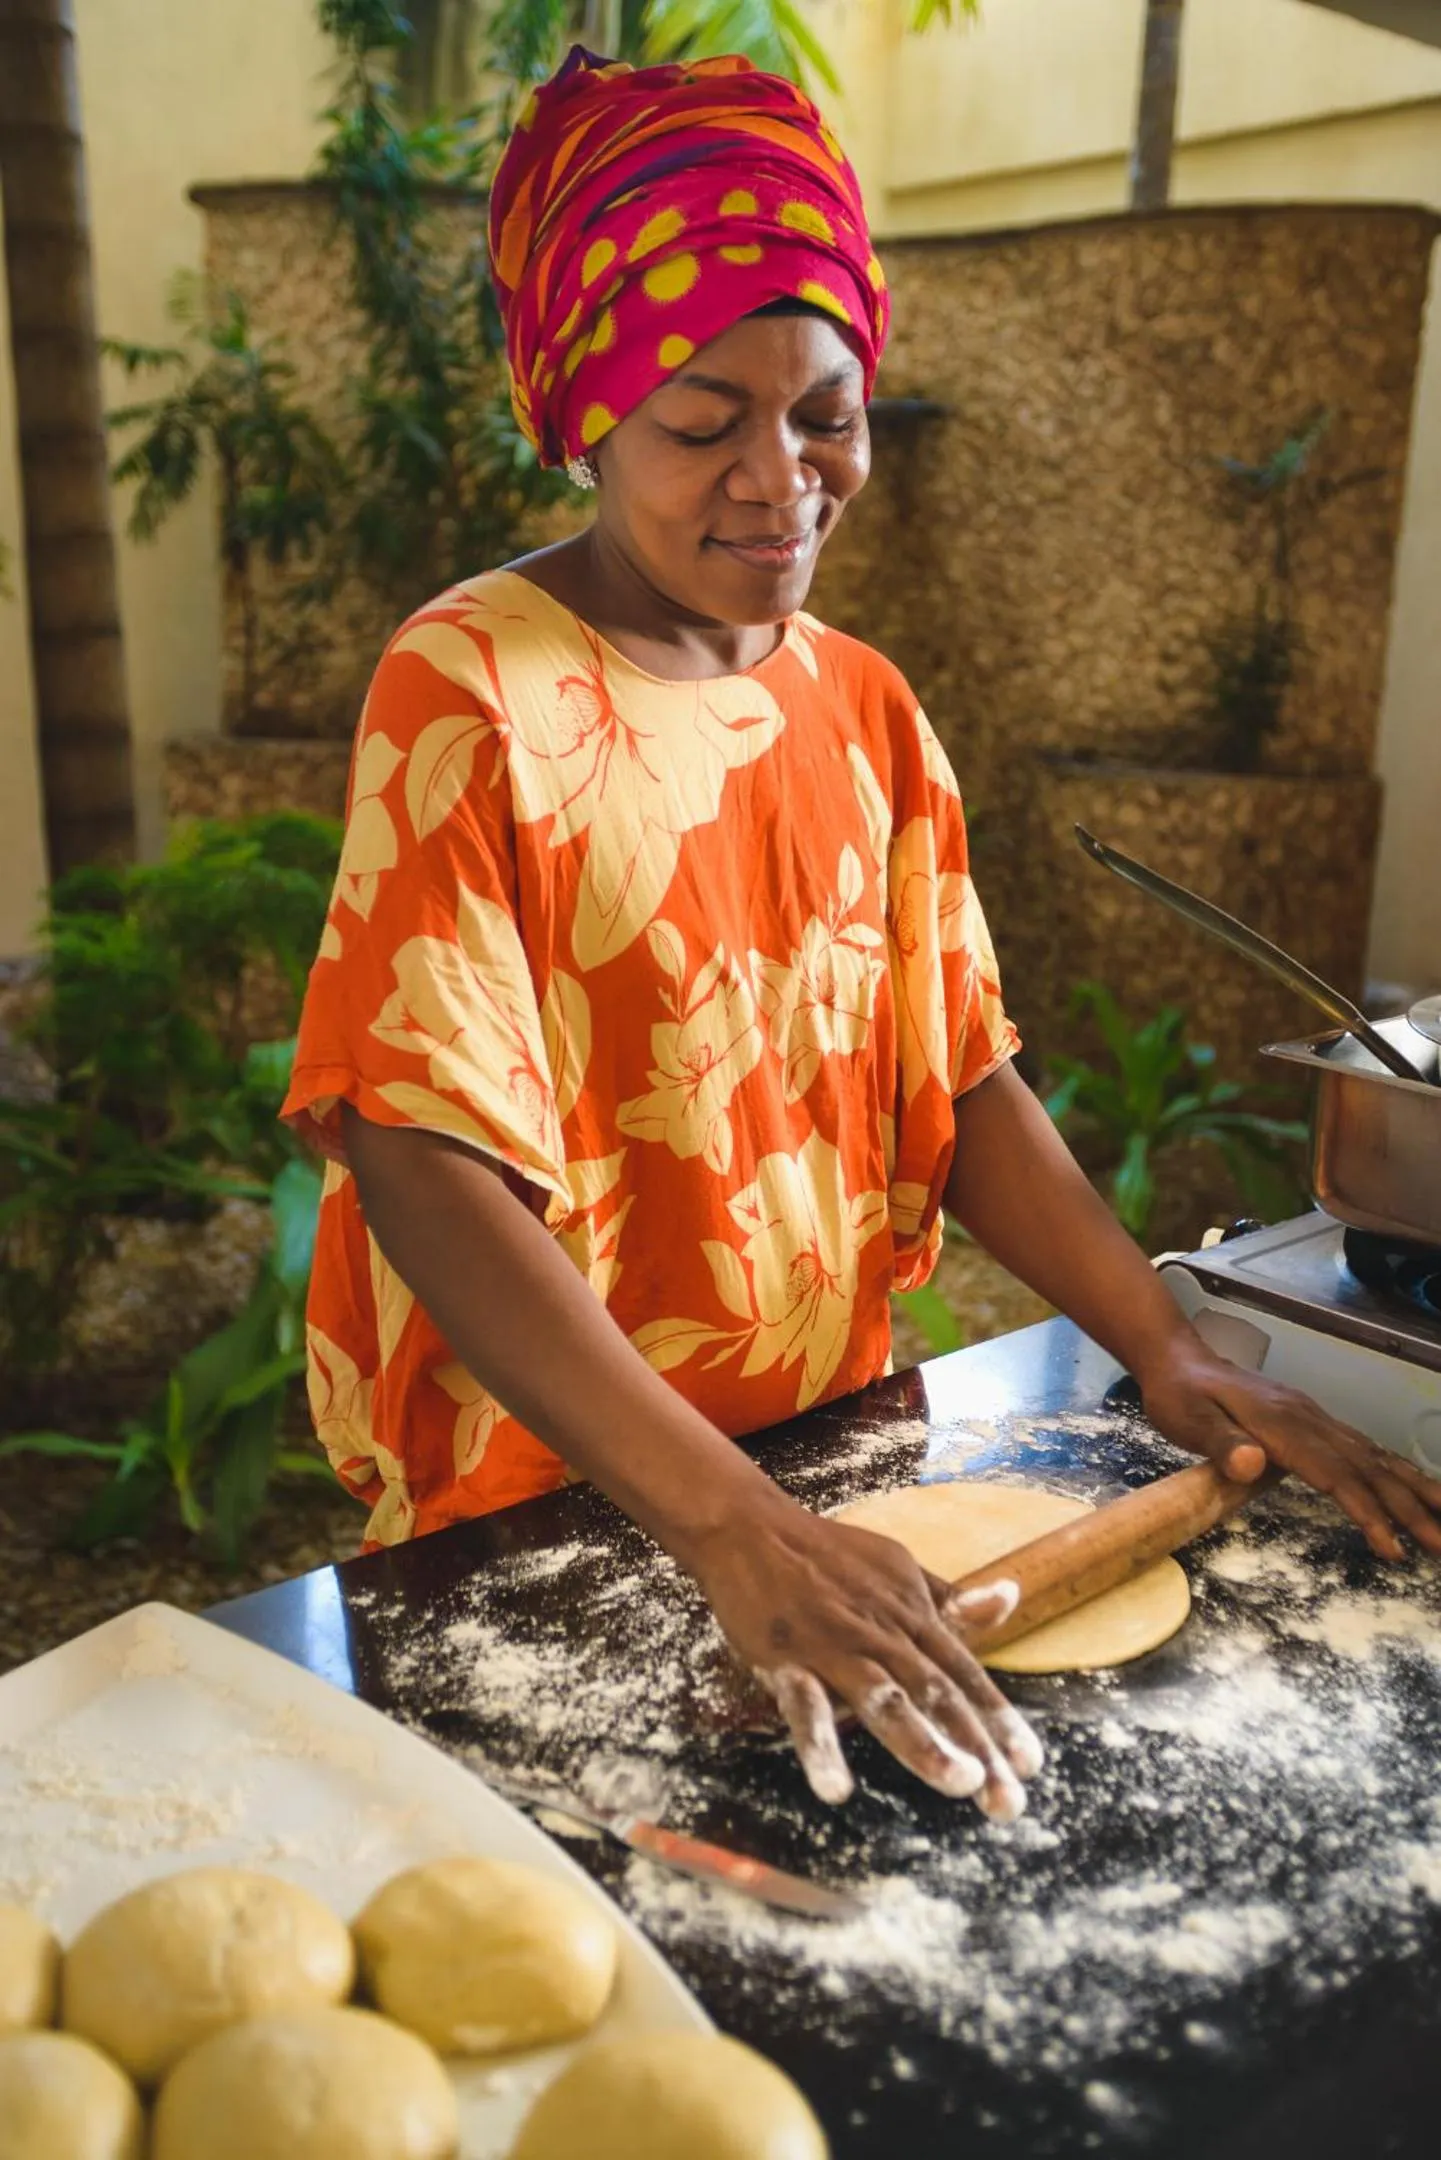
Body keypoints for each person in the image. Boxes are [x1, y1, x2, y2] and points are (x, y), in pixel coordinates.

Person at [284, 48, 1441, 1819]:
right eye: (702, 423)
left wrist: (1173, 1341)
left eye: (826, 412)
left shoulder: (868, 708)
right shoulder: (471, 691)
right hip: (560, 1494)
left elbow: (957, 1079)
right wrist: (727, 1525)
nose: (783, 479)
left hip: (829, 1470)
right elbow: (422, 1154)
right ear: (581, 410)